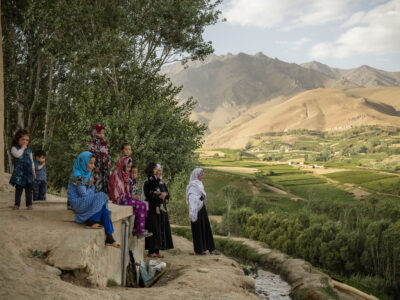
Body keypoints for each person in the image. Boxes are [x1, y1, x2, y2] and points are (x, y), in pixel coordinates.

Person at [67, 151, 120, 248]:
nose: (93, 166)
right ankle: (91, 221)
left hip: (84, 201)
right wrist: (90, 190)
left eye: (93, 163)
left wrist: (90, 191)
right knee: (102, 196)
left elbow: (91, 192)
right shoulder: (77, 176)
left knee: (105, 211)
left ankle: (110, 237)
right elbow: (84, 194)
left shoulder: (87, 175)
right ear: (83, 162)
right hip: (77, 203)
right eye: (90, 163)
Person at [186, 168, 219, 255]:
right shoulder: (193, 185)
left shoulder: (199, 184)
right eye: (201, 174)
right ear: (197, 175)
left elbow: (201, 195)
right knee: (198, 229)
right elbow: (191, 198)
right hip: (196, 210)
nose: (203, 176)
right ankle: (199, 250)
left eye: (203, 174)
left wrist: (202, 197)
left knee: (206, 227)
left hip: (201, 208)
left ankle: (211, 249)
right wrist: (201, 197)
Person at [143, 162, 167, 258]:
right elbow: (148, 195)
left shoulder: (157, 181)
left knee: (157, 229)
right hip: (151, 208)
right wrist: (158, 196)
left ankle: (157, 251)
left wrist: (161, 195)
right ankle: (151, 251)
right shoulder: (147, 182)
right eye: (155, 169)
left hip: (157, 208)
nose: (156, 171)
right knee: (152, 228)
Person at [9, 128, 36, 210]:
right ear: (17, 140)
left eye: (27, 140)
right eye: (23, 139)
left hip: (28, 173)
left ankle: (29, 204)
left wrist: (34, 171)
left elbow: (31, 161)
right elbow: (17, 155)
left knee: (29, 190)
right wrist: (22, 148)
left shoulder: (29, 150)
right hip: (19, 174)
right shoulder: (14, 148)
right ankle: (17, 204)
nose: (25, 142)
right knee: (19, 190)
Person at [128, 166, 151, 238]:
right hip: (129, 199)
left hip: (134, 199)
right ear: (129, 173)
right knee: (141, 206)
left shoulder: (134, 181)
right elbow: (127, 193)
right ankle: (139, 230)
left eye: (136, 173)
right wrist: (133, 197)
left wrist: (136, 197)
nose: (134, 174)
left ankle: (137, 229)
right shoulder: (128, 181)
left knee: (143, 205)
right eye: (132, 173)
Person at [155, 164, 174, 251]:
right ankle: (158, 247)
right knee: (158, 227)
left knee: (163, 225)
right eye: (158, 170)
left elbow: (168, 195)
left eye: (161, 171)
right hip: (156, 207)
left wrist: (165, 195)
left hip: (163, 206)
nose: (160, 172)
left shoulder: (162, 182)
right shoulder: (153, 182)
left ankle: (164, 245)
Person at [88, 124, 111, 193]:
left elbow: (108, 155)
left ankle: (100, 199)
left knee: (102, 183)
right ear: (95, 133)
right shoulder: (93, 145)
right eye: (100, 133)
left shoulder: (104, 144)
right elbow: (92, 156)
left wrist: (108, 162)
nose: (102, 135)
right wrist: (95, 166)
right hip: (96, 167)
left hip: (103, 167)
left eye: (103, 133)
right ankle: (93, 198)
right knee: (96, 182)